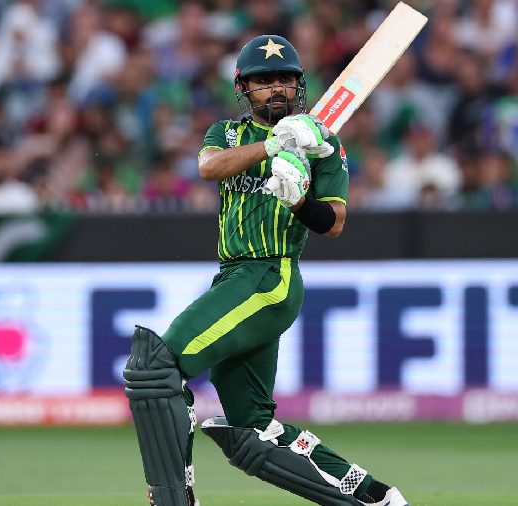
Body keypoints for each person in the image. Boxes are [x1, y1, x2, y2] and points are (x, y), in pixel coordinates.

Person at [123, 34, 410, 506]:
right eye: (263, 81)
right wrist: (274, 146)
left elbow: (334, 223)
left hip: (270, 276)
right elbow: (210, 167)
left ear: (298, 85)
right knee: (251, 431)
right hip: (234, 276)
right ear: (243, 89)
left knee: (155, 368)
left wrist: (298, 201)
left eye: (284, 79)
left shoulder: (323, 144)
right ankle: (374, 498)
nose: (276, 88)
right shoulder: (226, 133)